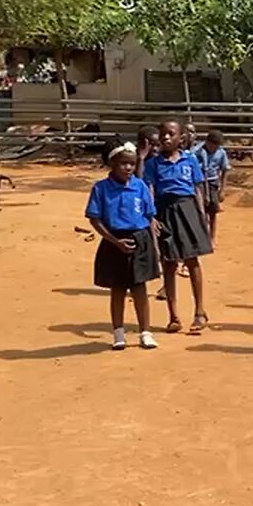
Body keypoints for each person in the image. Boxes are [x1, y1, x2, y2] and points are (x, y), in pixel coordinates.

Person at [85, 142, 160, 350]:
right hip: (114, 240)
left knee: (139, 287)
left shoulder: (140, 186)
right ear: (112, 164)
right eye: (123, 164)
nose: (128, 168)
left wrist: (152, 238)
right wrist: (115, 241)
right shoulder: (101, 188)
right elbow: (94, 218)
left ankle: (145, 332)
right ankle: (118, 333)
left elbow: (149, 214)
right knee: (118, 288)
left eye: (132, 164)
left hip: (139, 239)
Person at [144, 119, 212, 334]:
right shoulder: (153, 164)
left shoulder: (190, 160)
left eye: (171, 134)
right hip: (164, 211)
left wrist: (202, 216)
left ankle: (200, 312)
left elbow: (198, 188)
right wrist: (152, 217)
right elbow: (150, 190)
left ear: (181, 138)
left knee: (192, 260)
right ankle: (173, 316)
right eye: (162, 134)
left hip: (187, 208)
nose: (166, 137)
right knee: (169, 264)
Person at [191, 130, 231, 245]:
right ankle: (200, 237)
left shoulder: (221, 153)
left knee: (213, 211)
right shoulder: (196, 151)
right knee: (199, 210)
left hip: (212, 182)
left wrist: (222, 189)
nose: (214, 148)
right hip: (199, 183)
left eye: (217, 146)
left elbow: (224, 170)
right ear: (207, 142)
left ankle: (212, 237)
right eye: (213, 145)